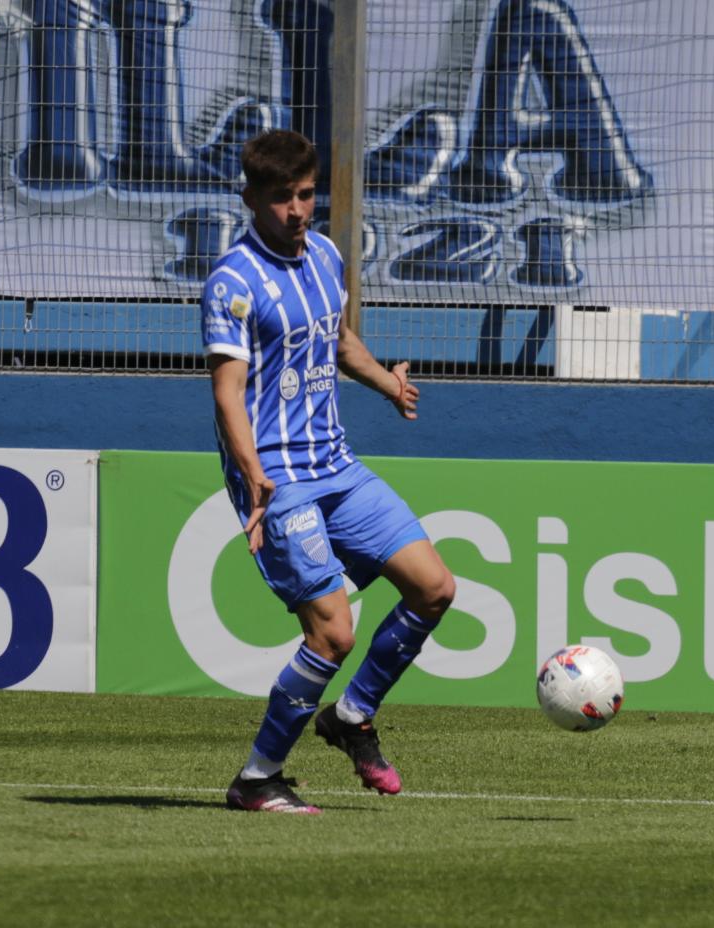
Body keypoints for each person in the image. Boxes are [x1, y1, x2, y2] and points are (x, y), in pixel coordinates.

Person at [202, 129, 456, 814]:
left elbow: (338, 340)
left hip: (336, 464)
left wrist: (385, 384)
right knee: (333, 632)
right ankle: (258, 778)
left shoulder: (326, 256)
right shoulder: (233, 281)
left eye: (306, 195)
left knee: (434, 588)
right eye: (281, 197)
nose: (296, 210)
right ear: (250, 197)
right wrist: (253, 474)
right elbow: (228, 391)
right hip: (279, 475)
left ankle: (351, 716)